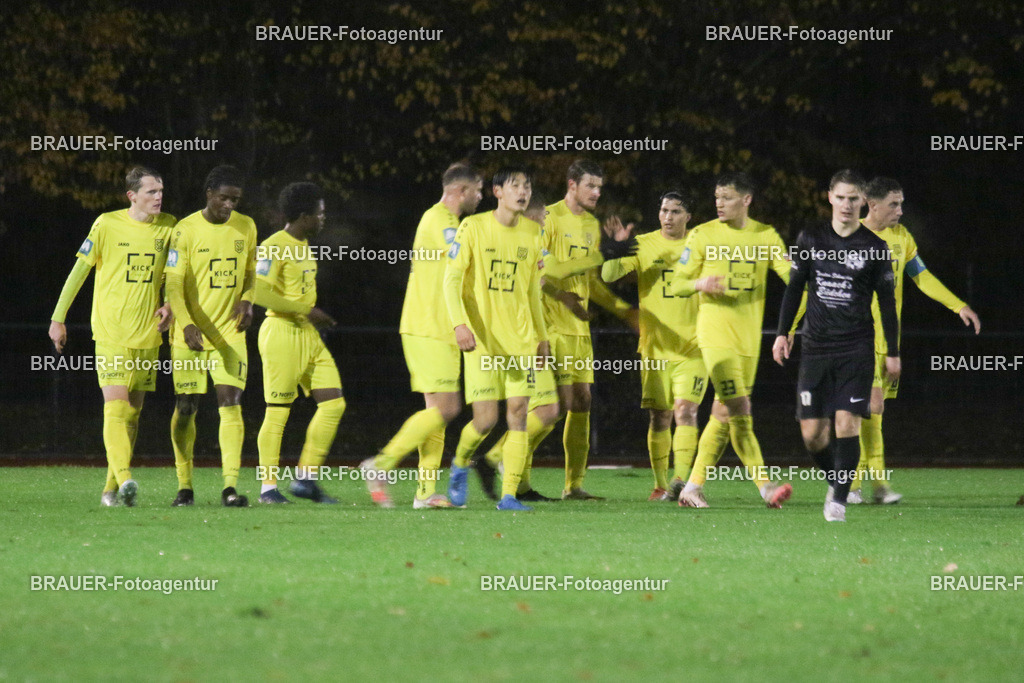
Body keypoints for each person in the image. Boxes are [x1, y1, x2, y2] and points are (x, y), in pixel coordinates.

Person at [773, 170, 901, 522]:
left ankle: (838, 502)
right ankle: (838, 480)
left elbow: (887, 304)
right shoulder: (811, 237)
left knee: (847, 424)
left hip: (855, 348)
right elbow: (794, 287)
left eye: (853, 198)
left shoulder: (875, 247)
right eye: (841, 197)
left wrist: (892, 352)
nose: (846, 205)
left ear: (863, 202)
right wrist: (783, 333)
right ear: (830, 197)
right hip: (816, 348)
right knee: (813, 435)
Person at [847, 177, 981, 504]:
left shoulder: (902, 237)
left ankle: (856, 486)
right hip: (855, 337)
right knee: (868, 408)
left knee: (872, 411)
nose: (900, 210)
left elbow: (921, 276)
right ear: (872, 205)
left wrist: (958, 305)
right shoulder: (848, 236)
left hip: (888, 339)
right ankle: (871, 486)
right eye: (894, 204)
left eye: (901, 203)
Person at [49, 166, 176, 506]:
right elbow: (79, 271)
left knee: (132, 416)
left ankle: (111, 489)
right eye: (151, 192)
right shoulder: (106, 224)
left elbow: (172, 275)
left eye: (161, 191)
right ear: (132, 196)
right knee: (116, 408)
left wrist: (168, 303)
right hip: (111, 332)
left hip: (148, 335)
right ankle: (126, 477)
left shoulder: (169, 227)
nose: (159, 197)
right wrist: (58, 318)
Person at [361, 164, 482, 509]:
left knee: (436, 414)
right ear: (461, 191)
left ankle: (425, 494)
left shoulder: (448, 221)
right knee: (448, 407)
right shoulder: (440, 220)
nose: (481, 196)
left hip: (437, 326)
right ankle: (379, 465)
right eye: (478, 190)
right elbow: (463, 263)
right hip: (429, 326)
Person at [671, 172, 793, 509]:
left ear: (746, 200)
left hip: (748, 341)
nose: (719, 203)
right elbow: (677, 284)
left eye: (726, 197)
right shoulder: (702, 234)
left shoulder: (766, 236)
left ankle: (691, 488)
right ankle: (765, 486)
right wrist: (699, 284)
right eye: (717, 197)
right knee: (740, 407)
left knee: (724, 414)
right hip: (715, 336)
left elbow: (792, 278)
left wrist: (793, 320)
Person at [440, 167, 549, 511]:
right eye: (515, 185)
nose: (523, 191)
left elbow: (532, 293)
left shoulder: (534, 233)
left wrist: (542, 337)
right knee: (485, 421)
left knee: (519, 413)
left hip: (521, 340)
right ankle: (460, 464)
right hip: (482, 339)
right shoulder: (473, 227)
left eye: (527, 186)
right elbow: (451, 280)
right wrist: (459, 325)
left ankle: (509, 496)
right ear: (498, 191)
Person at [456, 194, 571, 505]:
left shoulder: (531, 242)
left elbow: (543, 280)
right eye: (543, 217)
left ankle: (512, 481)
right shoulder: (502, 237)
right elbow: (555, 271)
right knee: (504, 416)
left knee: (541, 411)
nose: (545, 223)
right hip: (501, 340)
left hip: (529, 339)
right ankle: (487, 461)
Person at [601, 191, 708, 500]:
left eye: (676, 211)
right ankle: (661, 485)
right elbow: (608, 275)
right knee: (659, 416)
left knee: (685, 411)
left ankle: (681, 481)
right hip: (655, 347)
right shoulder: (643, 243)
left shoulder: (701, 244)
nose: (668, 216)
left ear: (688, 217)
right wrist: (617, 248)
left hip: (694, 346)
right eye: (664, 210)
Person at [165, 165, 256, 507]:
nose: (229, 205)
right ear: (209, 194)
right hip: (190, 336)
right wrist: (186, 323)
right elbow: (173, 284)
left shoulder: (246, 226)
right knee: (186, 407)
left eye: (235, 200)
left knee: (230, 403)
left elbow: (251, 272)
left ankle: (230, 488)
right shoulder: (184, 230)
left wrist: (247, 300)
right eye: (223, 198)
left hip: (230, 334)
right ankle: (185, 486)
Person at [253, 183, 346, 504]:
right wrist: (306, 310)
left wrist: (311, 316)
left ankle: (305, 479)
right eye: (319, 213)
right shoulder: (273, 246)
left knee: (333, 403)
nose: (323, 218)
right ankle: (268, 489)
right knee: (278, 411)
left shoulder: (303, 244)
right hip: (281, 333)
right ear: (304, 216)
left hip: (307, 334)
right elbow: (259, 292)